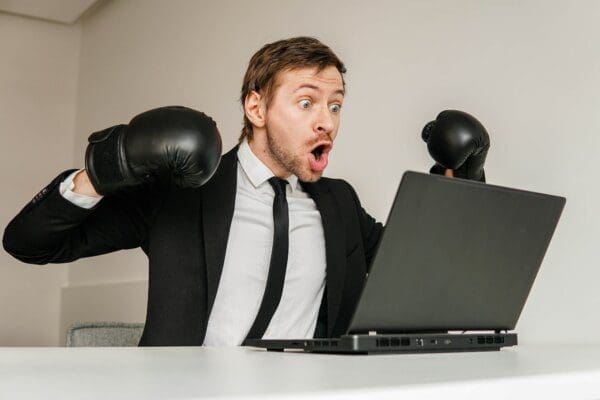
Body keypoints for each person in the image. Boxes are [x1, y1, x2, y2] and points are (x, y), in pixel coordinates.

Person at [3, 37, 489, 346]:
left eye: (336, 106)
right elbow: (29, 244)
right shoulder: (183, 192)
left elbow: (426, 277)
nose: (327, 121)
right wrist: (105, 168)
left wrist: (466, 181)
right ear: (256, 108)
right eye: (307, 102)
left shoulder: (339, 202)